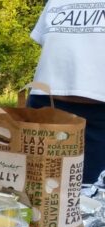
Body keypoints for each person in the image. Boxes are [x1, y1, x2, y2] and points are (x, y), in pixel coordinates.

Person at [27, 0, 105, 184]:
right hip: (46, 107)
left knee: (94, 199)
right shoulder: (56, 1)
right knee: (38, 191)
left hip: (99, 113)